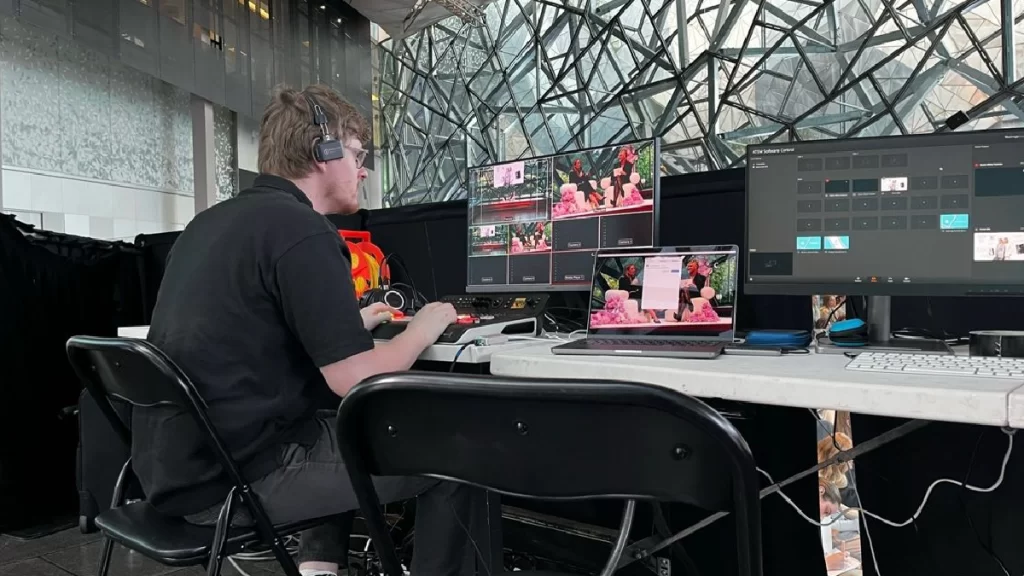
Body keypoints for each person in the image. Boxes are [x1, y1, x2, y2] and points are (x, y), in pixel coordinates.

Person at [133, 84, 470, 576]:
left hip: (175, 471)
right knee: (456, 459)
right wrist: (421, 328)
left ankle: (318, 571)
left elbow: (260, 333)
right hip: (235, 481)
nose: (363, 169)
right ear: (322, 151)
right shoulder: (303, 231)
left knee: (339, 424)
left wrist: (355, 323)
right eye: (357, 153)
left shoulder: (209, 224)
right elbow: (352, 379)